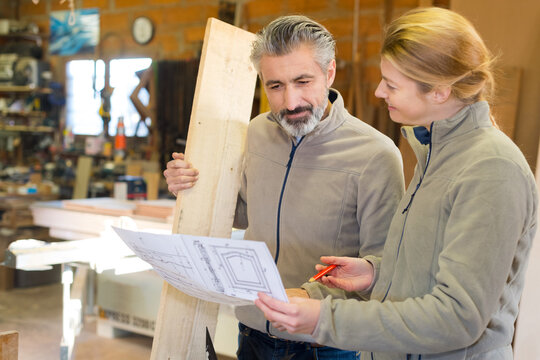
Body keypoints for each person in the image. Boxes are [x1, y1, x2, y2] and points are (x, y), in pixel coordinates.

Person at [254, 7, 538, 360]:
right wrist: (377, 274)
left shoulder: (491, 169)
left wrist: (323, 318)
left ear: (439, 91)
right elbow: (432, 268)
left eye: (391, 84)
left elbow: (457, 317)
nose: (377, 92)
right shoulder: (436, 154)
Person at [164, 15, 405, 360]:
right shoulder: (258, 131)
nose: (290, 102)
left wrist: (308, 299)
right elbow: (244, 213)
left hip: (323, 343)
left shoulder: (376, 155)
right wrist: (191, 185)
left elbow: (384, 268)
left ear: (330, 72)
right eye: (275, 86)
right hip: (252, 328)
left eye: (303, 81)